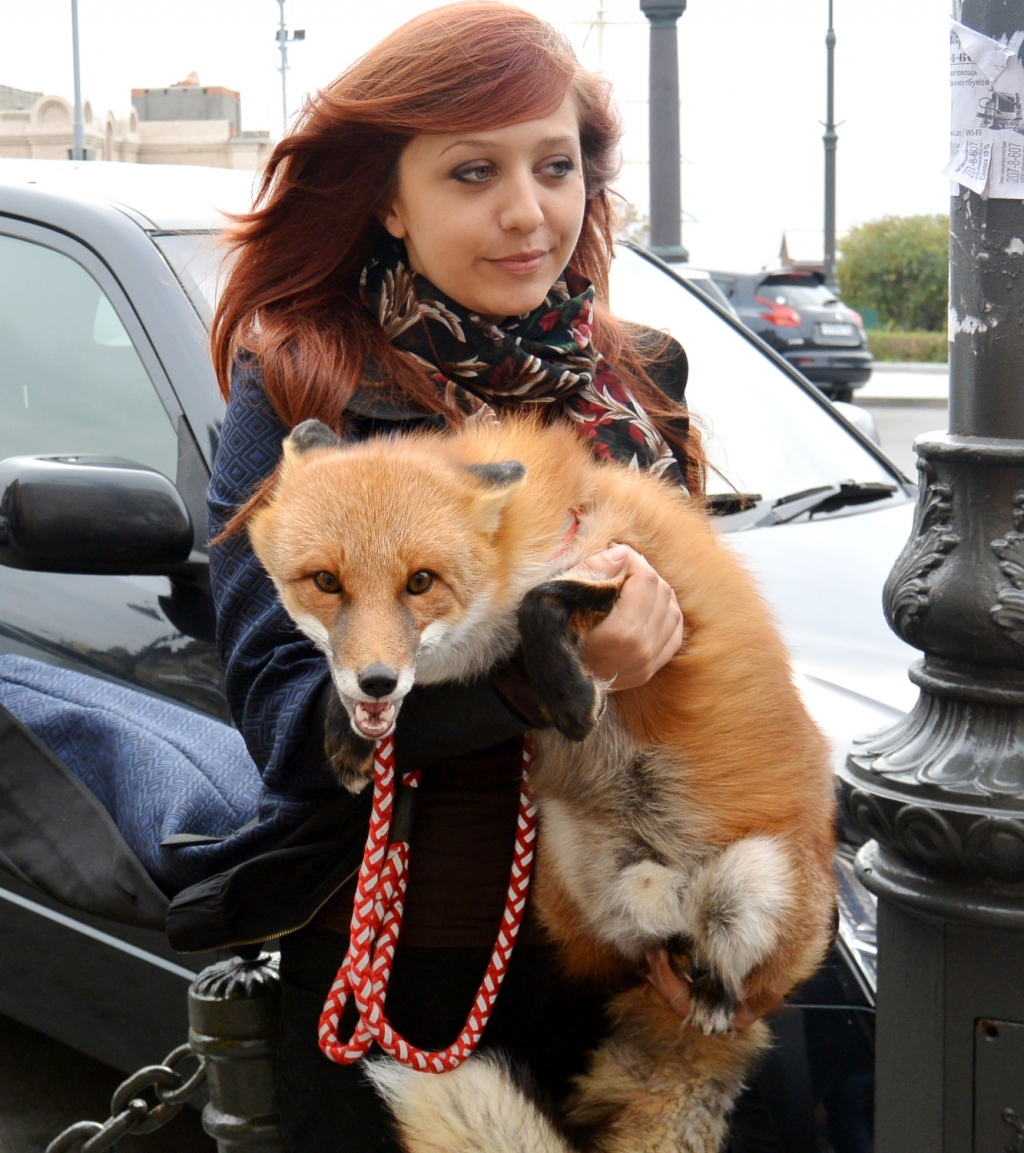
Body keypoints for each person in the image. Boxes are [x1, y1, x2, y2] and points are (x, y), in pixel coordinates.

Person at [207, 5, 709, 1149]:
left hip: (615, 952)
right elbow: (290, 728)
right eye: (472, 171)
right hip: (405, 964)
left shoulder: (640, 385)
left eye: (555, 165)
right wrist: (549, 674)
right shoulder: (302, 391)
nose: (527, 211)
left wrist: (703, 916)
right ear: (390, 198)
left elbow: (705, 689)